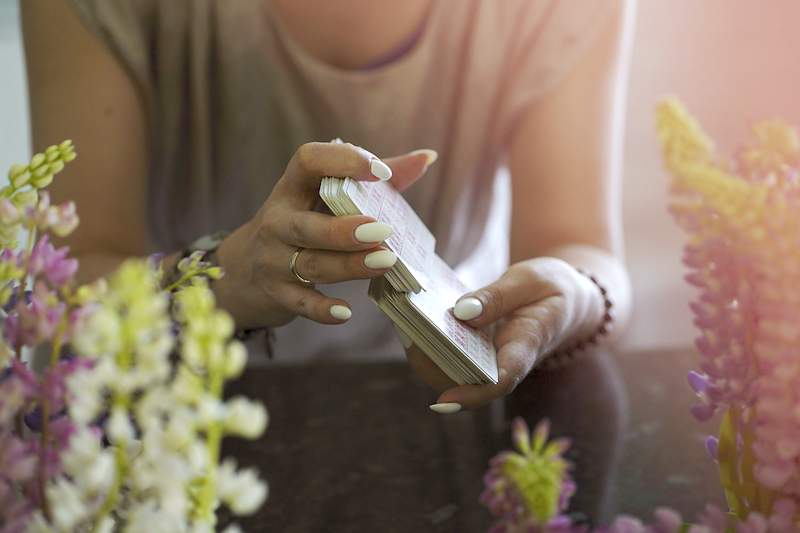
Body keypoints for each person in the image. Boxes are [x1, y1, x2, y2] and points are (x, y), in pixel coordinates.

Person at [21, 0, 633, 415]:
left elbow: (581, 249)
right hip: (166, 410)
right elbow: (62, 296)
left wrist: (572, 298)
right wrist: (227, 278)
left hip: (438, 412)